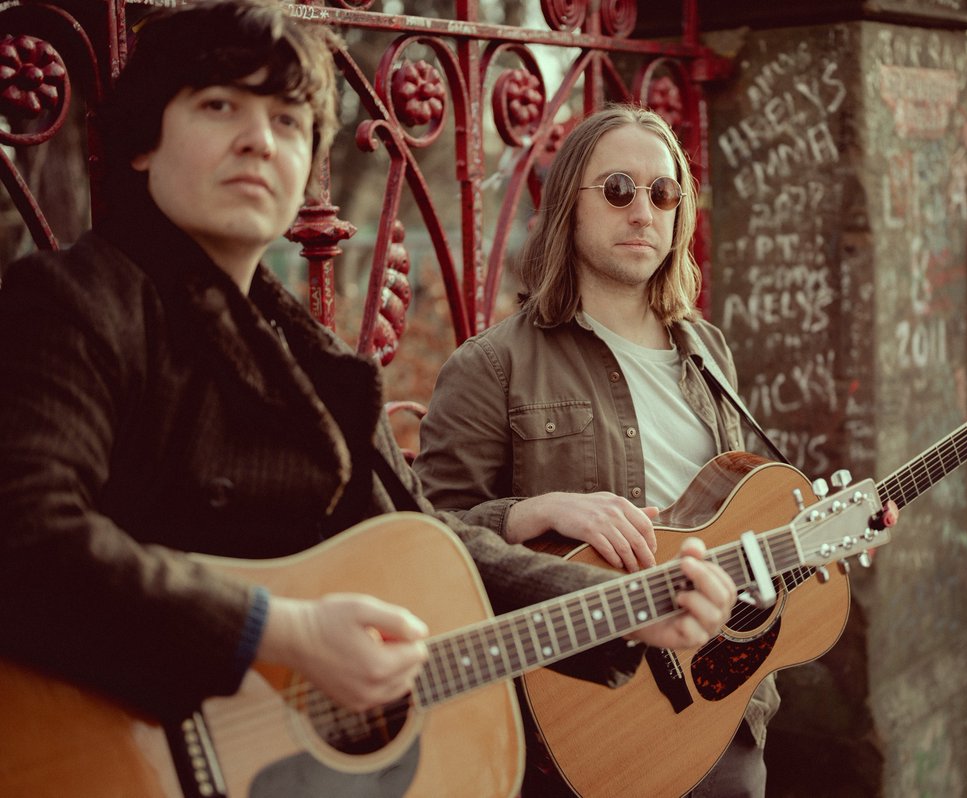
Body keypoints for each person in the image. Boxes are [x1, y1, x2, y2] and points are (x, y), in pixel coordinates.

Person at [0, 3, 736, 792]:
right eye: (220, 106)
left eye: (288, 120)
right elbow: (26, 530)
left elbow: (435, 544)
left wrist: (625, 607)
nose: (260, 139)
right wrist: (280, 632)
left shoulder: (318, 365)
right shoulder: (72, 301)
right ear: (143, 141)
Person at [414, 104, 781, 797]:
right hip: (579, 729)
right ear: (567, 209)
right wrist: (532, 512)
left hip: (722, 712)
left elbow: (735, 526)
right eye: (618, 189)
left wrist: (829, 536)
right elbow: (422, 536)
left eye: (663, 192)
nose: (643, 211)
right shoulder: (491, 365)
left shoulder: (708, 353)